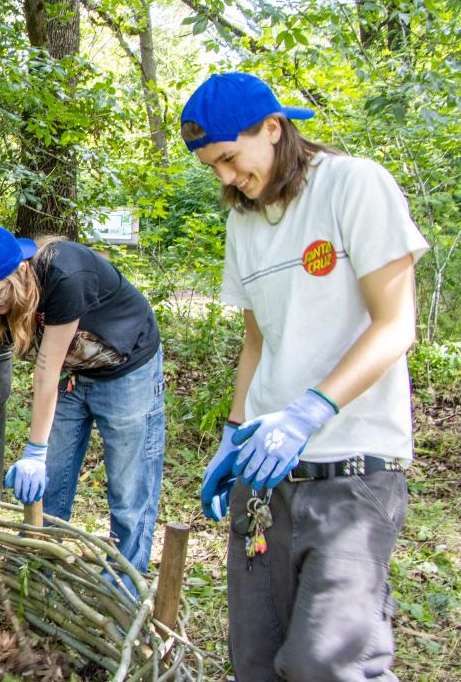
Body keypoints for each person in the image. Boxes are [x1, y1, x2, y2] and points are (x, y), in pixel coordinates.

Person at [185, 73, 427, 681]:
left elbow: (396, 325)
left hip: (352, 471)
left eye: (231, 159)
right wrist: (233, 432)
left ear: (273, 129)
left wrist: (308, 412)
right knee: (257, 662)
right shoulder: (243, 223)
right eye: (212, 166)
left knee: (327, 663)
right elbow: (257, 341)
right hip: (267, 477)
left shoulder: (354, 184)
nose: (225, 178)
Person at [0, 225, 164, 577]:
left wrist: (34, 453)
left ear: (21, 271)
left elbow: (45, 375)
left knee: (127, 486)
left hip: (127, 368)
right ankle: (37, 568)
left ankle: (126, 578)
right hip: (73, 372)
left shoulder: (63, 275)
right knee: (52, 479)